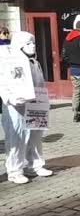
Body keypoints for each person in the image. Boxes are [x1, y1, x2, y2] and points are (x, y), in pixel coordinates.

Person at [0, 31, 53, 184]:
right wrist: (8, 97)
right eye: (28, 44)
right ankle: (15, 170)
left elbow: (40, 82)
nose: (32, 47)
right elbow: (3, 81)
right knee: (17, 137)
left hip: (36, 102)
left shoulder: (34, 62)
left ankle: (35, 164)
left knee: (35, 136)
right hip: (16, 104)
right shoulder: (8, 62)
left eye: (33, 43)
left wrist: (43, 102)